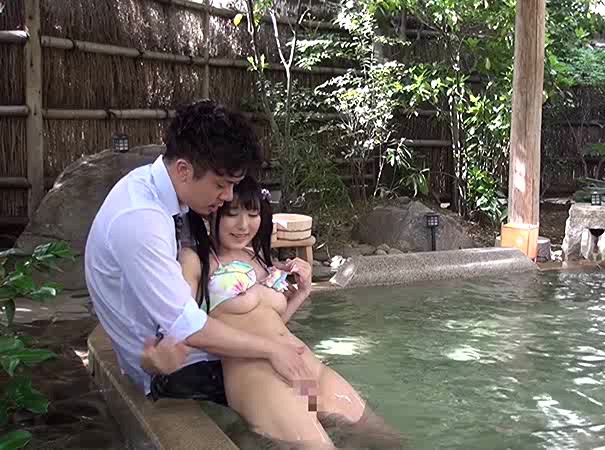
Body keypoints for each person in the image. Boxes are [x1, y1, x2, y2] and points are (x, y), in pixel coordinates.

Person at [84, 99, 314, 416]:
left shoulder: (154, 190)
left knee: (311, 380)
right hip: (174, 368)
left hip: (190, 350)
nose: (228, 196)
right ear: (184, 170)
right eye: (221, 185)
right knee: (303, 392)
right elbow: (186, 327)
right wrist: (271, 348)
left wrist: (291, 302)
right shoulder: (141, 220)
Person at [176, 176, 403, 449]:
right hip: (259, 376)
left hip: (303, 367)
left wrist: (302, 293)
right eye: (232, 214)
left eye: (253, 214)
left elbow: (270, 323)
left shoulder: (256, 257)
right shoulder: (196, 260)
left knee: (384, 438)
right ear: (213, 212)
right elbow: (184, 324)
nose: (243, 225)